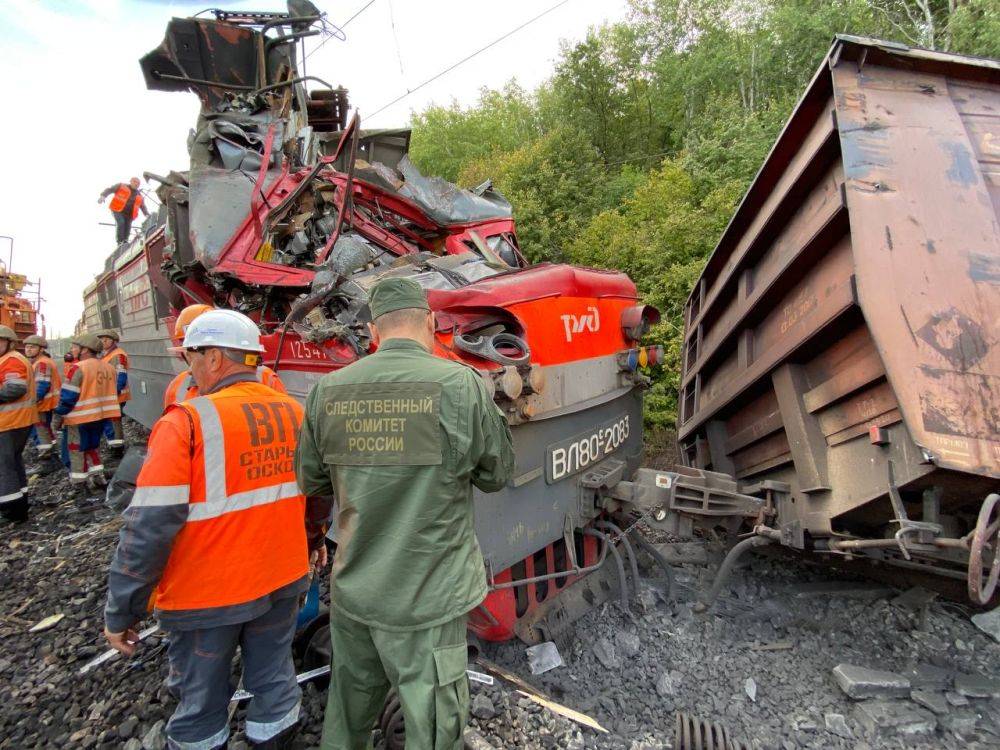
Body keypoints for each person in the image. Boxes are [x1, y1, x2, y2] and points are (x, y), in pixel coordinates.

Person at [295, 277, 515, 750]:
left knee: (347, 715)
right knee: (433, 729)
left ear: (374, 332)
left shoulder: (327, 391)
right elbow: (496, 475)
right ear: (431, 324)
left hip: (356, 593)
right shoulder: (461, 386)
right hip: (427, 599)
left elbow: (313, 486)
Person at [103, 309, 331, 750]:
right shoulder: (294, 412)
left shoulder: (185, 422)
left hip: (206, 595)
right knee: (274, 680)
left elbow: (148, 527)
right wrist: (314, 541)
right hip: (280, 580)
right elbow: (318, 495)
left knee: (201, 702)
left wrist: (123, 609)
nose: (189, 369)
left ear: (213, 358)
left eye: (191, 358)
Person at [163, 304, 286, 411]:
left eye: (190, 350)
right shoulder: (178, 385)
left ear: (214, 356)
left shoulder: (266, 377)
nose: (190, 368)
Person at [53, 334, 120, 493]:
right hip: (101, 417)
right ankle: (98, 477)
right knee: (93, 447)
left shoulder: (78, 368)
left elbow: (69, 396)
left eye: (75, 347)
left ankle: (79, 484)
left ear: (85, 350)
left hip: (80, 417)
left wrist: (58, 415)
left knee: (76, 449)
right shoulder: (108, 367)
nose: (72, 350)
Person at [0, 326, 37, 522]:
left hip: (9, 422)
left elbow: (15, 389)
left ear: (9, 342)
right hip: (16, 420)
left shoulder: (11, 360)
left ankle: (12, 511)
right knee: (13, 462)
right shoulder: (10, 359)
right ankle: (21, 502)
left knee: (4, 467)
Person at [23, 334, 61, 460]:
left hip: (43, 403)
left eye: (32, 347)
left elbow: (42, 385)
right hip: (46, 403)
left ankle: (47, 458)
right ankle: (52, 452)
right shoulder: (40, 362)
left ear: (41, 349)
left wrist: (33, 401)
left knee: (41, 430)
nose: (28, 349)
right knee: (45, 429)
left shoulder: (42, 363)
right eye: (27, 347)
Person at [97, 329, 129, 454]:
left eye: (107, 339)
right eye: (101, 339)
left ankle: (118, 448)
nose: (103, 341)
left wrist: (115, 391)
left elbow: (121, 375)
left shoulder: (118, 355)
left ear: (114, 341)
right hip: (110, 394)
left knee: (114, 420)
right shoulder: (106, 355)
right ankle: (115, 444)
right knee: (111, 420)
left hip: (115, 394)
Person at [98, 177, 148, 244]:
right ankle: (120, 242)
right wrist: (103, 196)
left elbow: (143, 206)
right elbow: (110, 189)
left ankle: (125, 242)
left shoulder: (139, 195)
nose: (136, 184)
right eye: (135, 182)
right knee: (121, 223)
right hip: (117, 210)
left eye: (138, 183)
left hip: (129, 214)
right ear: (130, 181)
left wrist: (147, 214)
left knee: (127, 228)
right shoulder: (121, 186)